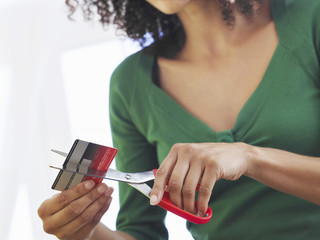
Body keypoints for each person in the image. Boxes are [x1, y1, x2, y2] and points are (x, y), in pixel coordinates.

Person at [38, 0, 320, 239]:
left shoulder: (310, 19)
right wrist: (88, 232)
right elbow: (140, 231)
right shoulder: (132, 83)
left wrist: (249, 158)